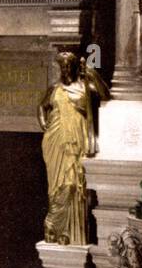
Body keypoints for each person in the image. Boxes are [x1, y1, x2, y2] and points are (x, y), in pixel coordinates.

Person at [38, 51, 109, 245]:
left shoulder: (85, 88)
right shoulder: (55, 88)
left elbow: (104, 95)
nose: (65, 69)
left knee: (72, 184)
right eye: (62, 66)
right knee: (56, 185)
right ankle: (56, 229)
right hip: (56, 141)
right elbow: (42, 107)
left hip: (77, 143)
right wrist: (44, 123)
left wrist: (93, 74)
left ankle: (61, 228)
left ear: (75, 67)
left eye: (68, 66)